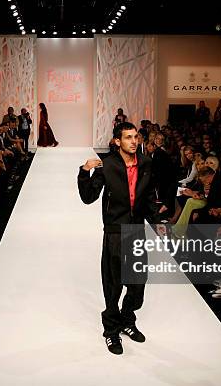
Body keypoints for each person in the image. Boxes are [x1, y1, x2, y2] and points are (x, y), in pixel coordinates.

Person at [78, 122, 161, 355]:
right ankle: (111, 330)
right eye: (128, 137)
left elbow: (146, 199)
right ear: (117, 141)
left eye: (136, 137)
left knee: (137, 283)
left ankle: (127, 319)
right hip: (115, 230)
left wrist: (157, 222)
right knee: (113, 285)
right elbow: (88, 197)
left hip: (136, 230)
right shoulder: (108, 165)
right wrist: (85, 172)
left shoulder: (146, 163)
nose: (134, 141)